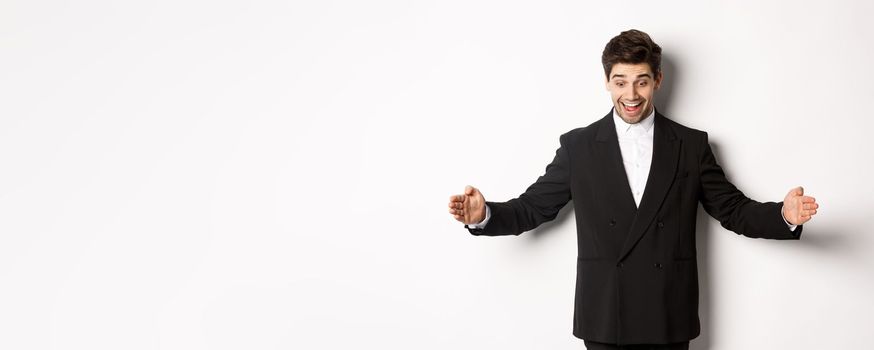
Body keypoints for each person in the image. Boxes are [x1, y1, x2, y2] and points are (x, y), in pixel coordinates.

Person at [446, 29, 819, 349]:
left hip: (667, 312)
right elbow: (533, 208)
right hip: (607, 314)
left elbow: (733, 210)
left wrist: (783, 215)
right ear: (607, 81)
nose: (631, 94)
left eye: (641, 80)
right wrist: (485, 215)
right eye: (621, 81)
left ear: (657, 80)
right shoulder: (578, 147)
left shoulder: (690, 145)